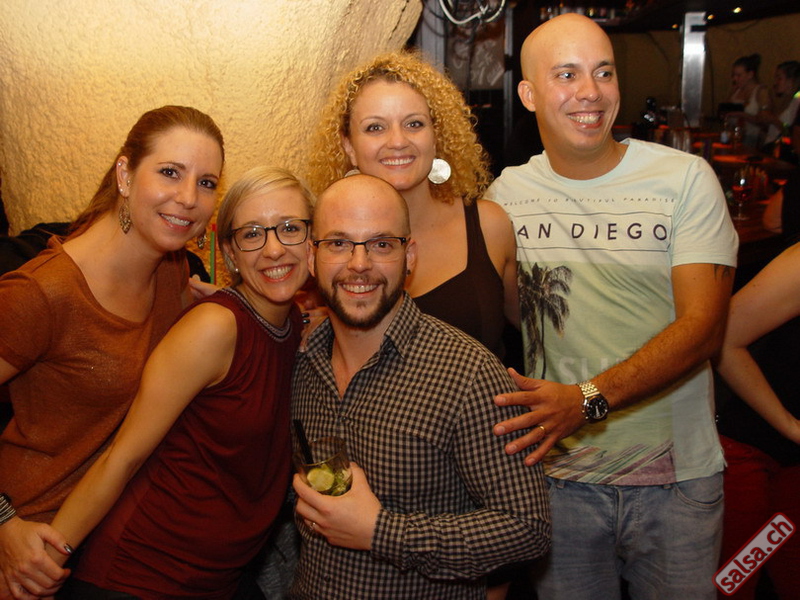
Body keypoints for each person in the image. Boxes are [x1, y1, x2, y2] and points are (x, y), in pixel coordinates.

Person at [484, 14, 738, 600]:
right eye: (567, 74)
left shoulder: (683, 179)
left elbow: (703, 328)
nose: (590, 92)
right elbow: (522, 316)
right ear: (528, 95)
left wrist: (587, 399)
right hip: (559, 482)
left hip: (676, 481)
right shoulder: (506, 198)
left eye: (603, 72)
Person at [11, 166, 312, 599]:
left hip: (218, 578)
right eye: (252, 234)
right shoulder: (215, 328)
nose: (274, 249)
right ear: (230, 253)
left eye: (290, 228)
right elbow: (122, 458)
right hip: (140, 575)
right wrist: (44, 565)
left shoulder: (296, 324)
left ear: (313, 239)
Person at [289, 174, 550, 599]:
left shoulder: (467, 373)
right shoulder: (302, 362)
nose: (359, 263)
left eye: (381, 244)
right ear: (311, 257)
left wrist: (381, 532)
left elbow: (528, 529)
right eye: (338, 243)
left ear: (409, 256)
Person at [0, 105, 225, 598]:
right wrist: (3, 523)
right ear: (125, 174)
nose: (189, 198)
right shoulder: (42, 293)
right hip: (28, 544)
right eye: (170, 172)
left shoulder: (173, 272)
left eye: (207, 183)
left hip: (109, 538)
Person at [305, 50, 519, 361]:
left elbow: (539, 333)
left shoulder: (489, 226)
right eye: (375, 127)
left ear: (435, 136)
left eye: (414, 124)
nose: (397, 141)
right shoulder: (326, 240)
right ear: (349, 145)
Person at [714, 241, 800, 600]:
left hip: (792, 463)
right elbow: (724, 338)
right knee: (734, 580)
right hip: (749, 451)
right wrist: (792, 427)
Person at [726, 54, 773, 149]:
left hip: (753, 140)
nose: (735, 79)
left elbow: (766, 122)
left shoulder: (761, 92)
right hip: (733, 137)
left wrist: (742, 115)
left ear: (750, 75)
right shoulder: (735, 90)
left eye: (739, 75)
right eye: (733, 75)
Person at [762, 60, 800, 156]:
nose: (775, 82)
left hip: (782, 153)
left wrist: (773, 120)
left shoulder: (797, 100)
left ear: (790, 81)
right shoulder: (786, 100)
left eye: (779, 78)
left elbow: (792, 132)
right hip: (771, 150)